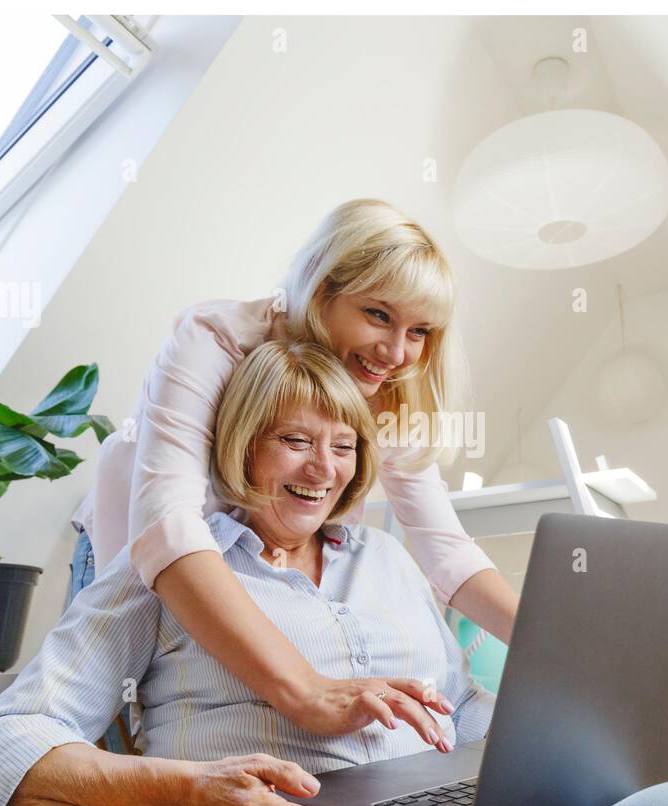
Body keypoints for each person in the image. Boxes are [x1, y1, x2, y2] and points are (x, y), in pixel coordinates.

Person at [0, 341, 668, 806]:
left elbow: (461, 714)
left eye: (345, 446)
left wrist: (592, 734)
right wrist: (186, 792)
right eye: (295, 441)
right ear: (239, 445)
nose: (325, 470)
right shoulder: (168, 571)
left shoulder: (386, 561)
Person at [74, 198, 518, 740]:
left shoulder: (389, 387)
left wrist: (550, 644)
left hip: (269, 576)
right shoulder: (216, 341)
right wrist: (304, 689)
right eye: (378, 314)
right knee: (139, 766)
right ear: (323, 290)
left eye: (420, 331)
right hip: (139, 562)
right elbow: (168, 530)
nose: (397, 351)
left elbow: (444, 547)